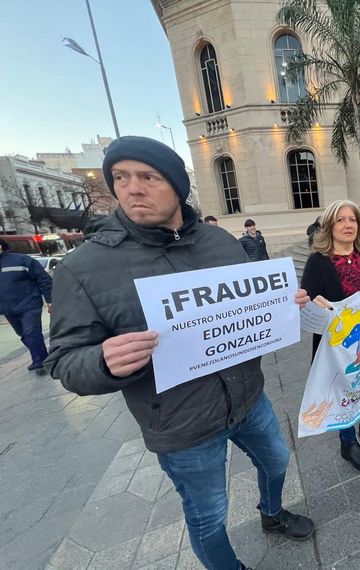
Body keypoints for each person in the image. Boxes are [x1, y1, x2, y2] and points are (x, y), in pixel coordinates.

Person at [45, 136, 314, 570]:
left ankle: (272, 512)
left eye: (148, 177)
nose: (133, 188)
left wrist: (284, 302)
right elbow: (63, 361)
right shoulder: (82, 268)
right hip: (181, 425)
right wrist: (101, 362)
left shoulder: (219, 241)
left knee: (278, 460)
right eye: (121, 178)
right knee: (209, 515)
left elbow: (250, 303)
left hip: (248, 398)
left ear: (176, 186)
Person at [301, 199, 360, 473]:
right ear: (329, 226)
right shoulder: (318, 261)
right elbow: (307, 300)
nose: (347, 225)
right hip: (337, 343)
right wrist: (315, 303)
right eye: (340, 220)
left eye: (352, 219)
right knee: (343, 389)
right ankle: (348, 441)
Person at [0, 238, 52, 371]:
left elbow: (44, 279)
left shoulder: (21, 260)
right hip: (8, 308)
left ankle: (39, 361)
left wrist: (50, 301)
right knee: (23, 334)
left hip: (29, 304)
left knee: (31, 332)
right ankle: (41, 356)